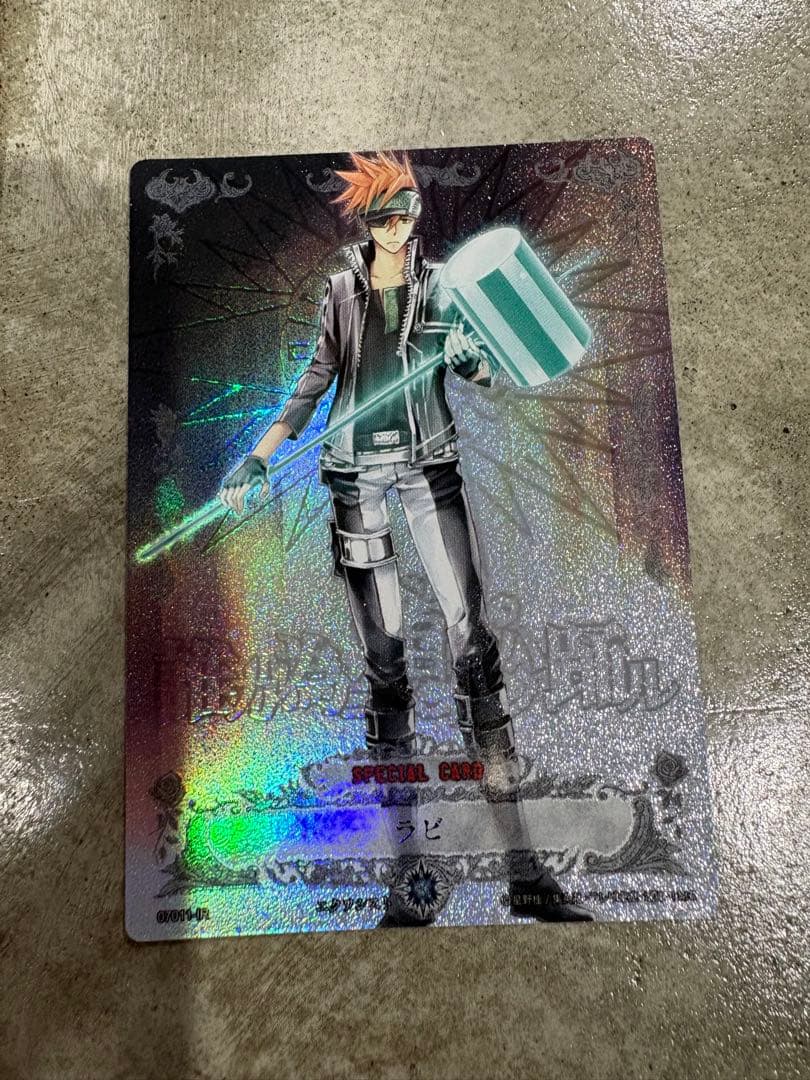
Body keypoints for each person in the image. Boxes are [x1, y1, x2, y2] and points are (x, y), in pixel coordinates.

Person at [219, 151, 593, 922]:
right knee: (386, 668)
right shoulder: (340, 292)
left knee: (473, 647)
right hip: (356, 481)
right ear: (368, 222)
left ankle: (525, 871)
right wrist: (259, 457)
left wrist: (470, 360)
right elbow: (313, 383)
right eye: (388, 215)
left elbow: (483, 370)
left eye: (410, 211)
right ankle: (411, 881)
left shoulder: (444, 286)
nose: (401, 226)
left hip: (430, 471)